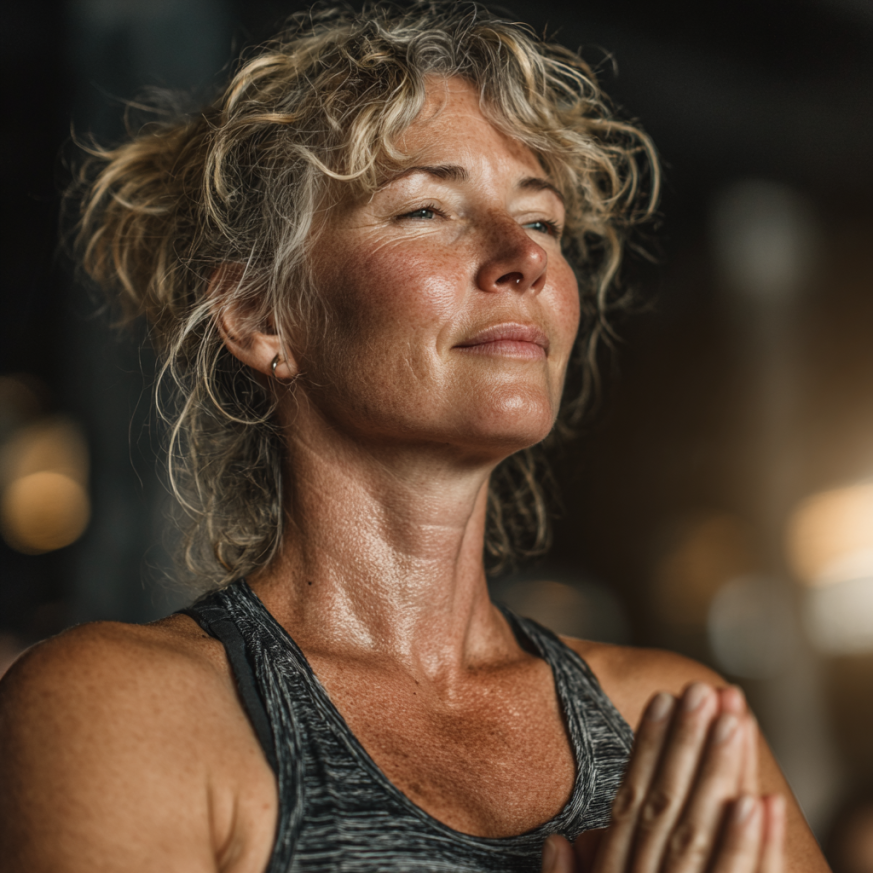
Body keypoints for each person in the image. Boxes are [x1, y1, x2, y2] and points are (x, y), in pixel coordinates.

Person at [0, 3, 830, 872]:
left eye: (541, 219)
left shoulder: (672, 716)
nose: (523, 256)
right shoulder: (129, 706)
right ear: (259, 315)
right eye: (428, 210)